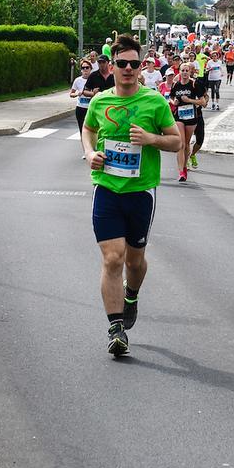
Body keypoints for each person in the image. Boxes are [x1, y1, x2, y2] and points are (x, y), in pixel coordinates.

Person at [81, 35, 182, 356]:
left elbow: (177, 142)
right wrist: (89, 153)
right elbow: (88, 130)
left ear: (142, 67)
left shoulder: (154, 102)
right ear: (111, 66)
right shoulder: (100, 102)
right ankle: (116, 328)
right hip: (107, 188)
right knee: (113, 258)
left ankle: (132, 295)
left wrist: (152, 138)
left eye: (133, 64)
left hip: (141, 192)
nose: (127, 69)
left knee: (135, 262)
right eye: (121, 63)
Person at [170, 63, 207, 182]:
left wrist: (189, 100)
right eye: (182, 70)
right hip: (179, 116)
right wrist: (174, 101)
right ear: (179, 72)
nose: (185, 72)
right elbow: (171, 97)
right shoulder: (176, 84)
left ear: (190, 72)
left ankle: (185, 166)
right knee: (180, 143)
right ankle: (181, 171)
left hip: (192, 117)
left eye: (187, 70)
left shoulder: (194, 84)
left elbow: (203, 102)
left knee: (186, 144)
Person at [70, 61, 92, 156]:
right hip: (81, 108)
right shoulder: (77, 80)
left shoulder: (94, 79)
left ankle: (94, 148)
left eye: (87, 67)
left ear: (91, 69)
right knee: (82, 130)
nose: (85, 70)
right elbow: (71, 93)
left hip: (92, 108)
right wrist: (76, 94)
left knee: (94, 130)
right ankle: (86, 151)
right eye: (83, 68)